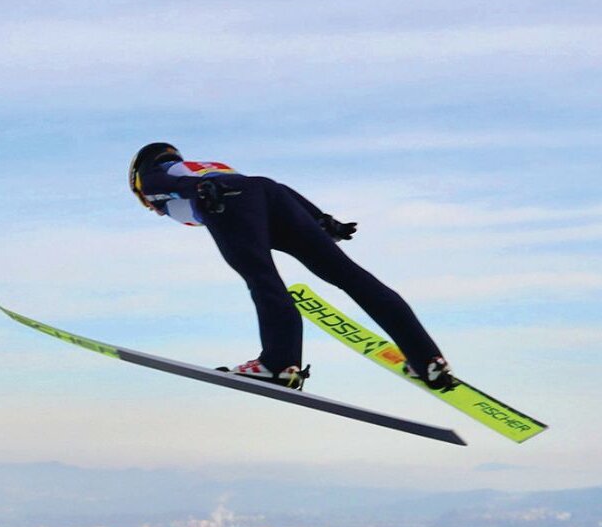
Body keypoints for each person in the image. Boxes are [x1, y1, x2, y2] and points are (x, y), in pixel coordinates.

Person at [129, 142, 453, 392]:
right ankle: (427, 360)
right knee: (350, 276)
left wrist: (195, 191)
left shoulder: (158, 176)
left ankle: (279, 364)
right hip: (269, 196)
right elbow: (272, 188)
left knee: (262, 278)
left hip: (228, 203)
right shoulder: (206, 166)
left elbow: (155, 182)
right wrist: (320, 219)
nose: (151, 207)